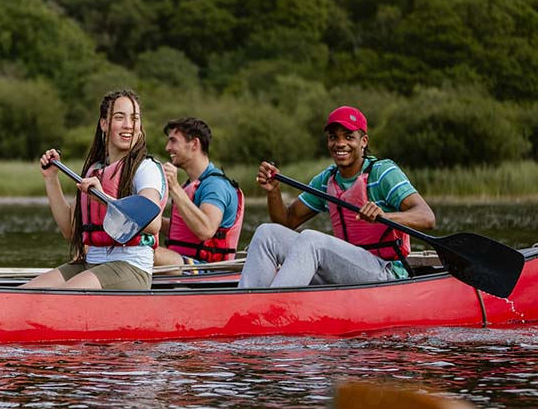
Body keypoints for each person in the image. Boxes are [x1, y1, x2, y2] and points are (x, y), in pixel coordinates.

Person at [237, 105, 435, 289]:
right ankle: (246, 305)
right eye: (333, 137)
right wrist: (273, 192)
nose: (340, 143)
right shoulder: (326, 180)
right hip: (347, 269)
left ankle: (272, 309)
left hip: (385, 271)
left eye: (349, 137)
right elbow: (287, 221)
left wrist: (386, 216)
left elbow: (427, 217)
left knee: (311, 239)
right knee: (267, 233)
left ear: (363, 141)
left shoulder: (383, 173)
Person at [23, 89, 167, 291]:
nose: (128, 125)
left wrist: (103, 198)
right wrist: (51, 179)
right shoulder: (95, 170)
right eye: (119, 117)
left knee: (58, 298)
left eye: (134, 118)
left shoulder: (145, 168)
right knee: (25, 293)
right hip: (91, 261)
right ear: (104, 124)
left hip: (131, 266)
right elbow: (70, 229)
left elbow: (153, 222)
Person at [155, 117, 244, 269]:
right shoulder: (190, 184)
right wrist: (148, 222)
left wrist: (174, 188)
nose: (167, 147)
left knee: (144, 253)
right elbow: (183, 229)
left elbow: (206, 230)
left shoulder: (216, 185)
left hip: (206, 269)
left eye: (173, 141)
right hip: (185, 263)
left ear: (194, 144)